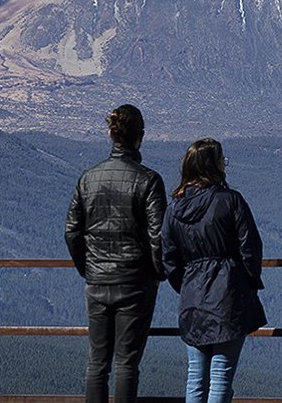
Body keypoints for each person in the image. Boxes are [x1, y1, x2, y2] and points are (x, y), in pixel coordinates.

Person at [64, 104, 168, 403]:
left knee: (97, 363)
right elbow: (157, 235)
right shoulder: (148, 180)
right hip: (135, 282)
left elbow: (71, 230)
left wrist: (89, 267)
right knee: (127, 363)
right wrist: (157, 272)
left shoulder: (88, 178)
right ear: (141, 137)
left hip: (97, 281)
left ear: (111, 135)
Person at [161, 138, 267, 403]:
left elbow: (168, 257)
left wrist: (186, 285)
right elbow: (250, 247)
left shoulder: (173, 208)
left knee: (195, 378)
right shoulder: (231, 201)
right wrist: (246, 282)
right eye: (222, 160)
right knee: (220, 377)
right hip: (228, 295)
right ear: (213, 166)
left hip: (192, 299)